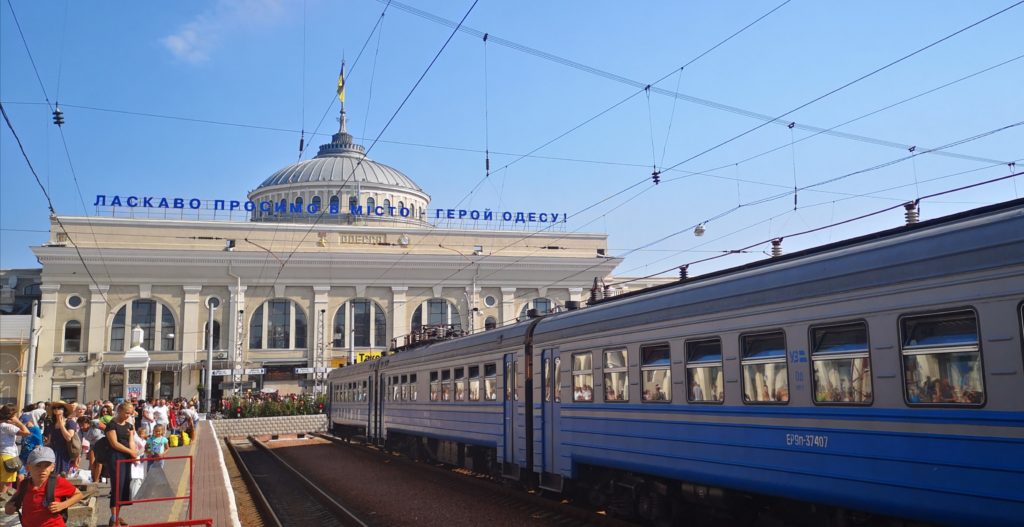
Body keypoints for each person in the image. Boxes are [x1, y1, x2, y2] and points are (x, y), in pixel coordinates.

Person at [3, 446, 84, 527]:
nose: (43, 469)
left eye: (47, 465)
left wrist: (63, 505)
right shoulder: (24, 485)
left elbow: (78, 494)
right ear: (28, 467)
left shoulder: (57, 482)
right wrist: (8, 508)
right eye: (38, 465)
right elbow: (11, 503)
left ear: (52, 467)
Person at [106, 402, 138, 527]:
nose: (127, 415)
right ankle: (114, 518)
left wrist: (133, 453)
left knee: (124, 486)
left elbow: (131, 441)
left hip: (126, 458)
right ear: (119, 410)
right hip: (115, 457)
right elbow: (114, 443)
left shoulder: (129, 425)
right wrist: (130, 451)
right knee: (117, 487)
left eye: (130, 413)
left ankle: (116, 516)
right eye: (126, 412)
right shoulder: (111, 425)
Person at [44, 402, 78, 476]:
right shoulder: (51, 424)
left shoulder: (70, 422)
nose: (56, 409)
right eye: (54, 408)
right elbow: (49, 441)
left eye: (59, 407)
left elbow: (69, 437)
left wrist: (62, 425)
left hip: (64, 453)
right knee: (51, 475)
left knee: (62, 475)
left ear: (64, 410)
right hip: (52, 453)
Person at [1, 404, 31, 489]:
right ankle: (3, 501)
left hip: (2, 454)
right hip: (8, 455)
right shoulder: (8, 426)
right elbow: (27, 432)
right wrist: (18, 422)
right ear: (12, 415)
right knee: (6, 483)